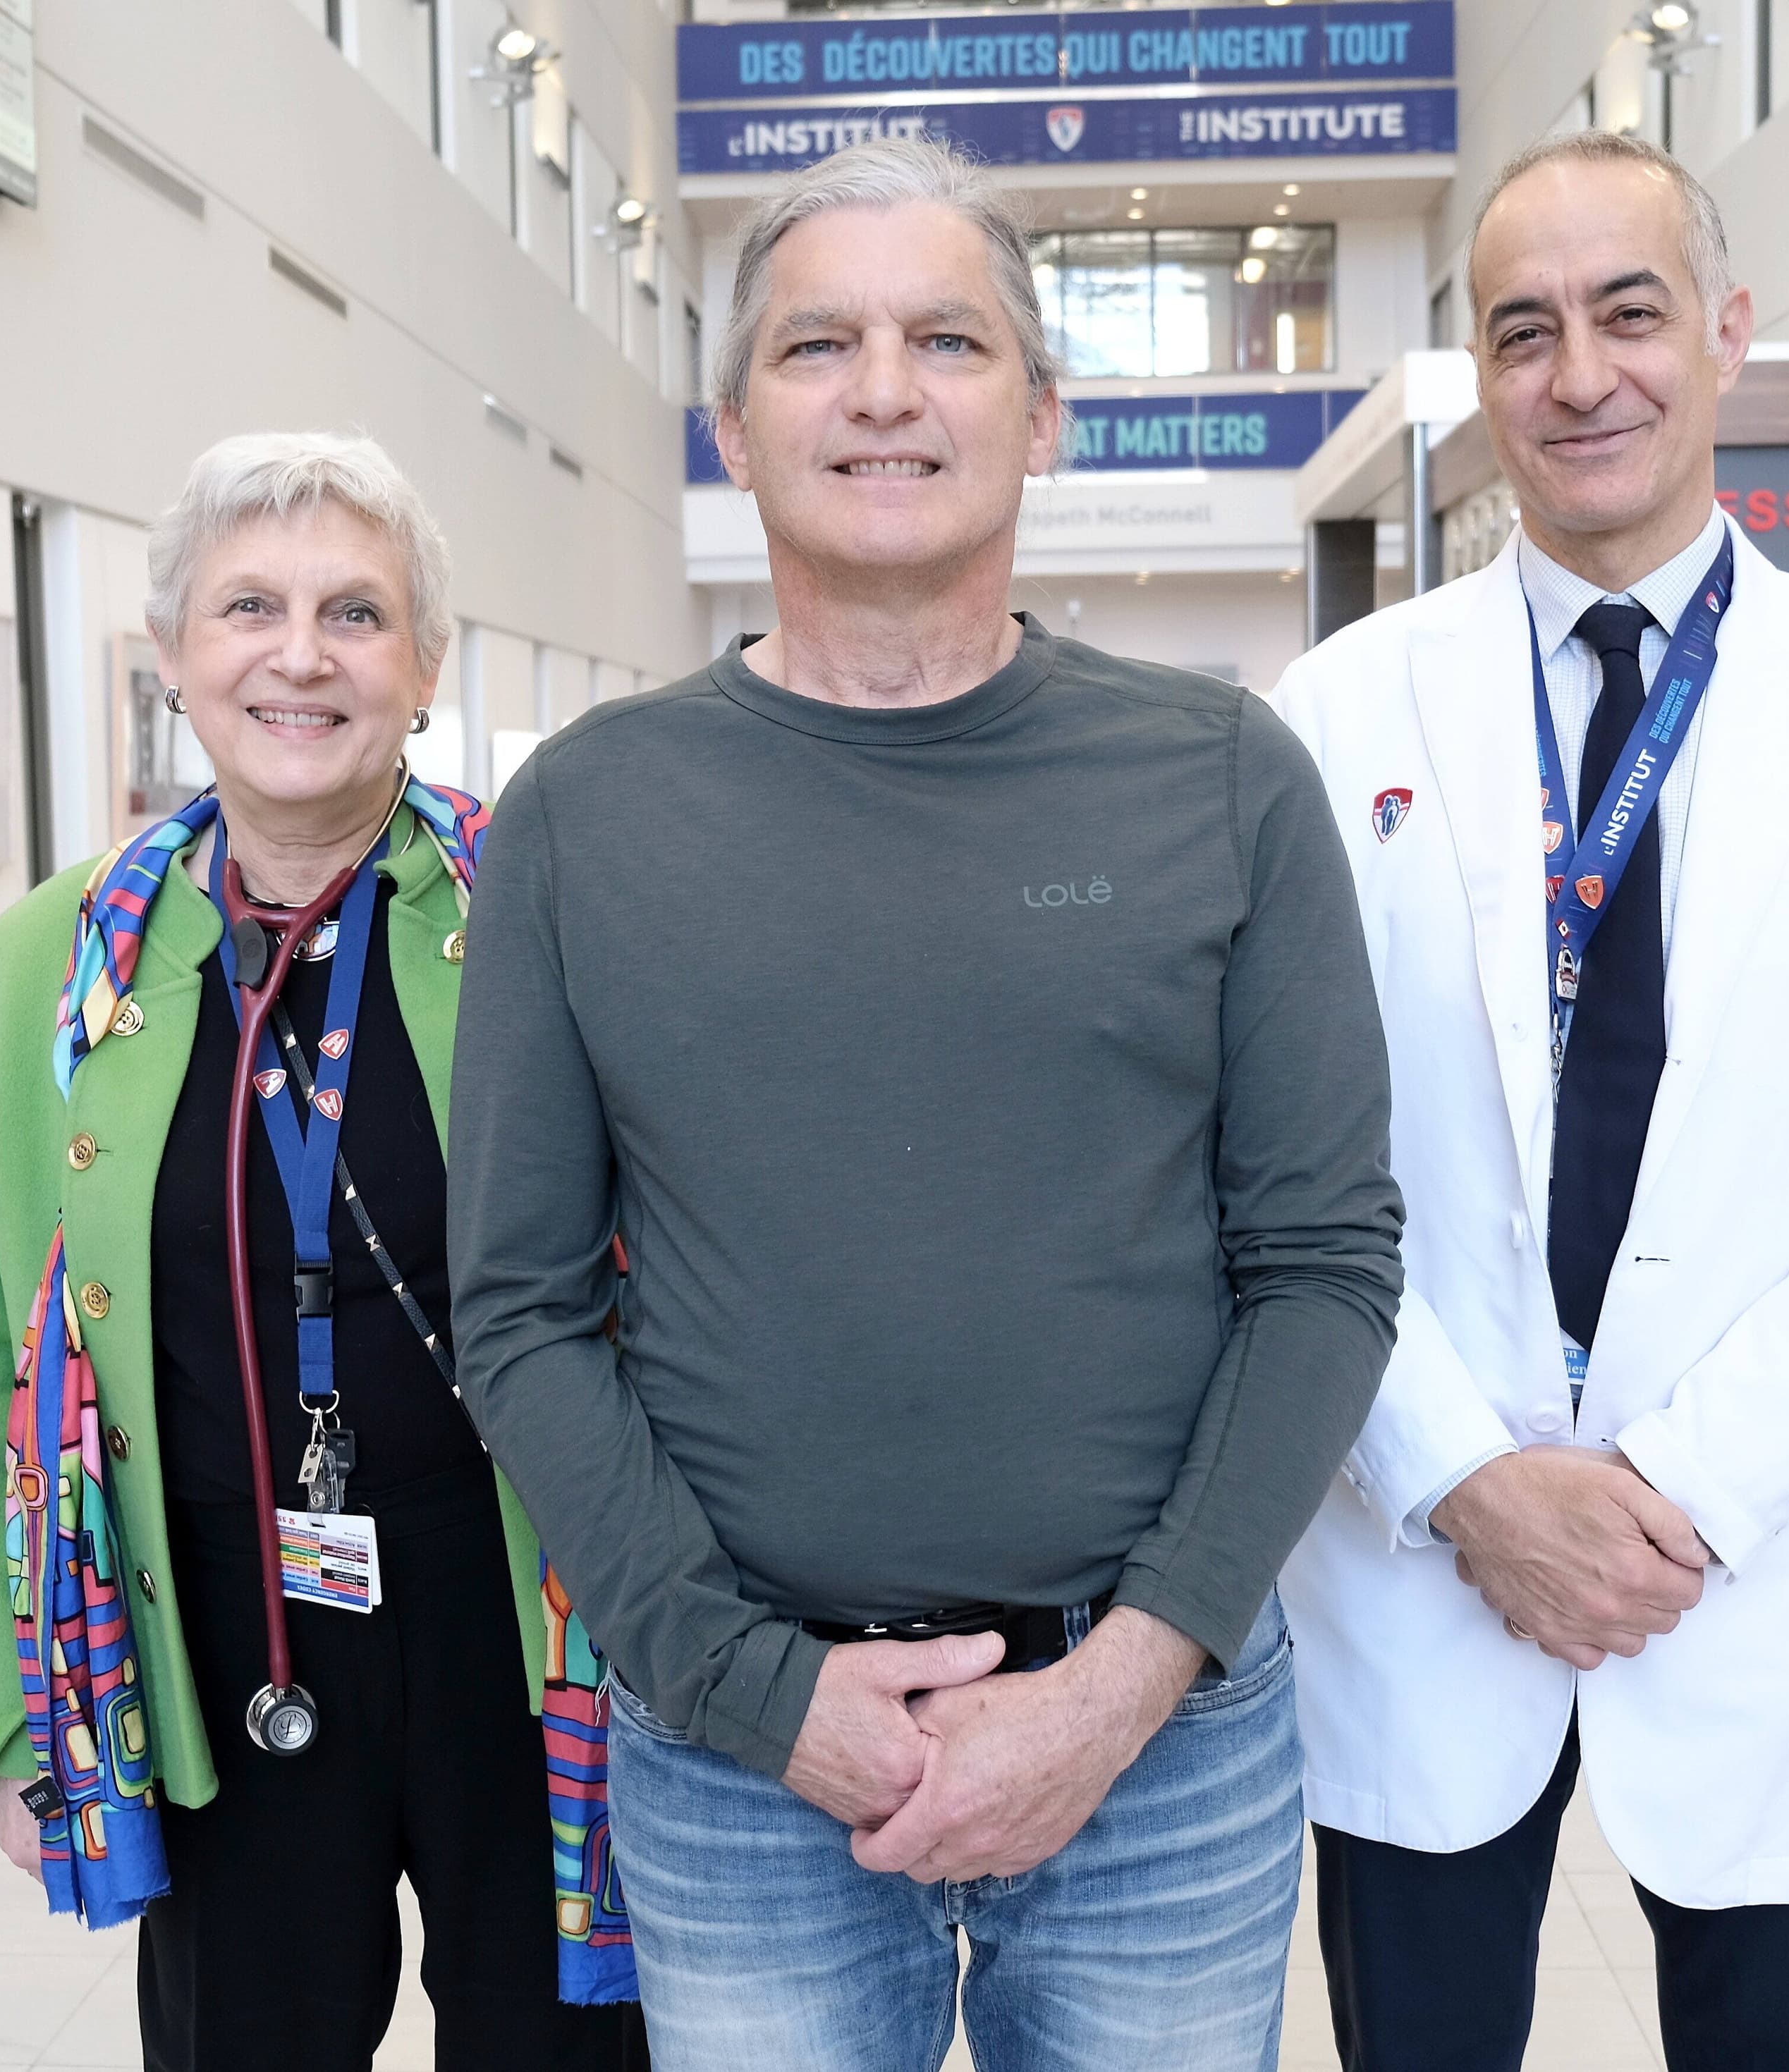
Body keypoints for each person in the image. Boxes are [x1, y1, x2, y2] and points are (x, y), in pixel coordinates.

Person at [448, 136, 1404, 2072]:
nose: (884, 390)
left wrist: (1124, 1685)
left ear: (1041, 413)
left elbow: (1322, 1266)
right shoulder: (589, 815)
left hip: (1163, 1750)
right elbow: (522, 1308)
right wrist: (752, 1689)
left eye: (947, 339)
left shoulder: (1224, 779)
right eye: (819, 346)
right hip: (743, 1769)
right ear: (733, 425)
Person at [1271, 132, 1789, 2072]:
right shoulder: (1338, 714)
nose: (1580, 375)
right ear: (1479, 370)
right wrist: (1464, 1473)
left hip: (1760, 1558)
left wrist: (1679, 1488)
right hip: (1426, 1551)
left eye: (1628, 313)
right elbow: (1277, 1163)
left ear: (1726, 330)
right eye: (1522, 332)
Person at [0, 432, 646, 2071]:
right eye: (248, 607)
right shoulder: (43, 967)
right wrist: (26, 1721)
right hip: (217, 1625)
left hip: (526, 1617)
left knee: (568, 2050)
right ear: (173, 655)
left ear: (425, 665)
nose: (299, 655)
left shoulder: (551, 913)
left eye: (355, 613)